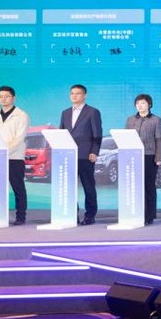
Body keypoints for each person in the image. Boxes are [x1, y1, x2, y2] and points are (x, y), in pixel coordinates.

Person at [0, 85, 29, 225]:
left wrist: (4, 152)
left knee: (18, 188)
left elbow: (19, 138)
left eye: (7, 96)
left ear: (13, 98)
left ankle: (20, 216)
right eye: (0, 96)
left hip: (14, 157)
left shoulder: (21, 115)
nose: (3, 99)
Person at [61, 84, 102, 225]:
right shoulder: (65, 113)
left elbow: (97, 134)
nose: (74, 96)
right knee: (69, 187)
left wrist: (94, 151)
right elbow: (62, 133)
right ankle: (72, 214)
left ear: (85, 95)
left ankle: (90, 215)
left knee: (88, 186)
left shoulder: (92, 112)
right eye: (72, 93)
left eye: (78, 93)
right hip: (68, 156)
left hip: (86, 155)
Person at [126, 94, 161, 225]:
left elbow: (159, 140)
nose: (139, 106)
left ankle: (149, 215)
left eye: (142, 103)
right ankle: (136, 212)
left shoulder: (156, 120)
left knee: (149, 186)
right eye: (137, 103)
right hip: (133, 156)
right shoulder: (130, 120)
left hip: (149, 156)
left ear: (149, 104)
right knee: (135, 186)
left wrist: (159, 158)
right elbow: (126, 137)